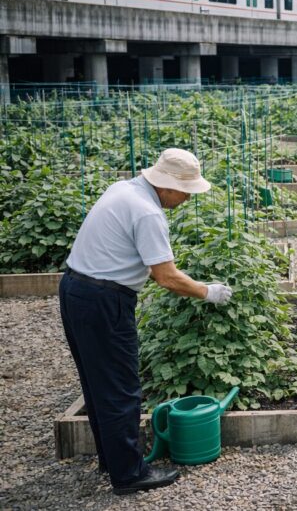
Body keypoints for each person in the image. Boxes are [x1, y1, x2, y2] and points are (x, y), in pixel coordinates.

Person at [59, 148, 233, 496]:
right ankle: (129, 474)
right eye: (185, 191)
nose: (186, 198)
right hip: (104, 300)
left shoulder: (123, 189)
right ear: (166, 185)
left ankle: (113, 459)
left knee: (97, 385)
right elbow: (166, 277)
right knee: (121, 387)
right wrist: (208, 292)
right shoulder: (148, 212)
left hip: (75, 288)